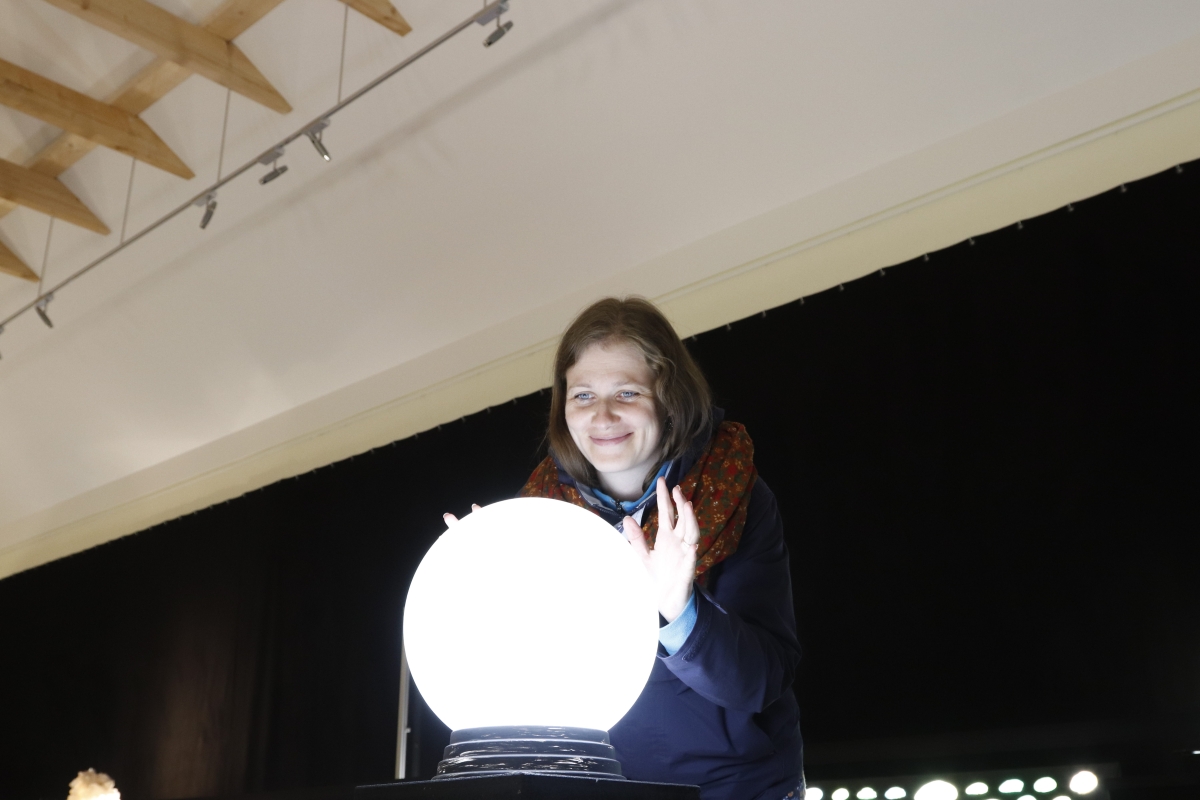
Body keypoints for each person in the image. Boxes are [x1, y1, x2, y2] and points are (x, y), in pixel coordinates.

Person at [518, 296, 804, 800]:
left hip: (731, 788)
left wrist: (678, 613)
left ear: (670, 397)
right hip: (599, 787)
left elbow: (760, 681)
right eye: (583, 395)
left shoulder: (732, 492)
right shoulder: (539, 513)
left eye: (626, 392)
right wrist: (479, 594)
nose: (603, 416)